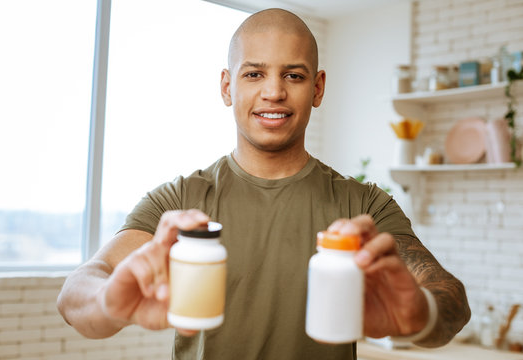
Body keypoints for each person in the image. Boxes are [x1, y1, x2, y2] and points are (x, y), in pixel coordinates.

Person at [57, 8, 471, 360]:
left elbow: (449, 296)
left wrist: (421, 314)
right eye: (254, 74)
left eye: (293, 75)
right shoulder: (179, 201)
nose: (273, 91)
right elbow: (77, 292)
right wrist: (109, 300)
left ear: (318, 88)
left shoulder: (364, 207)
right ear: (227, 86)